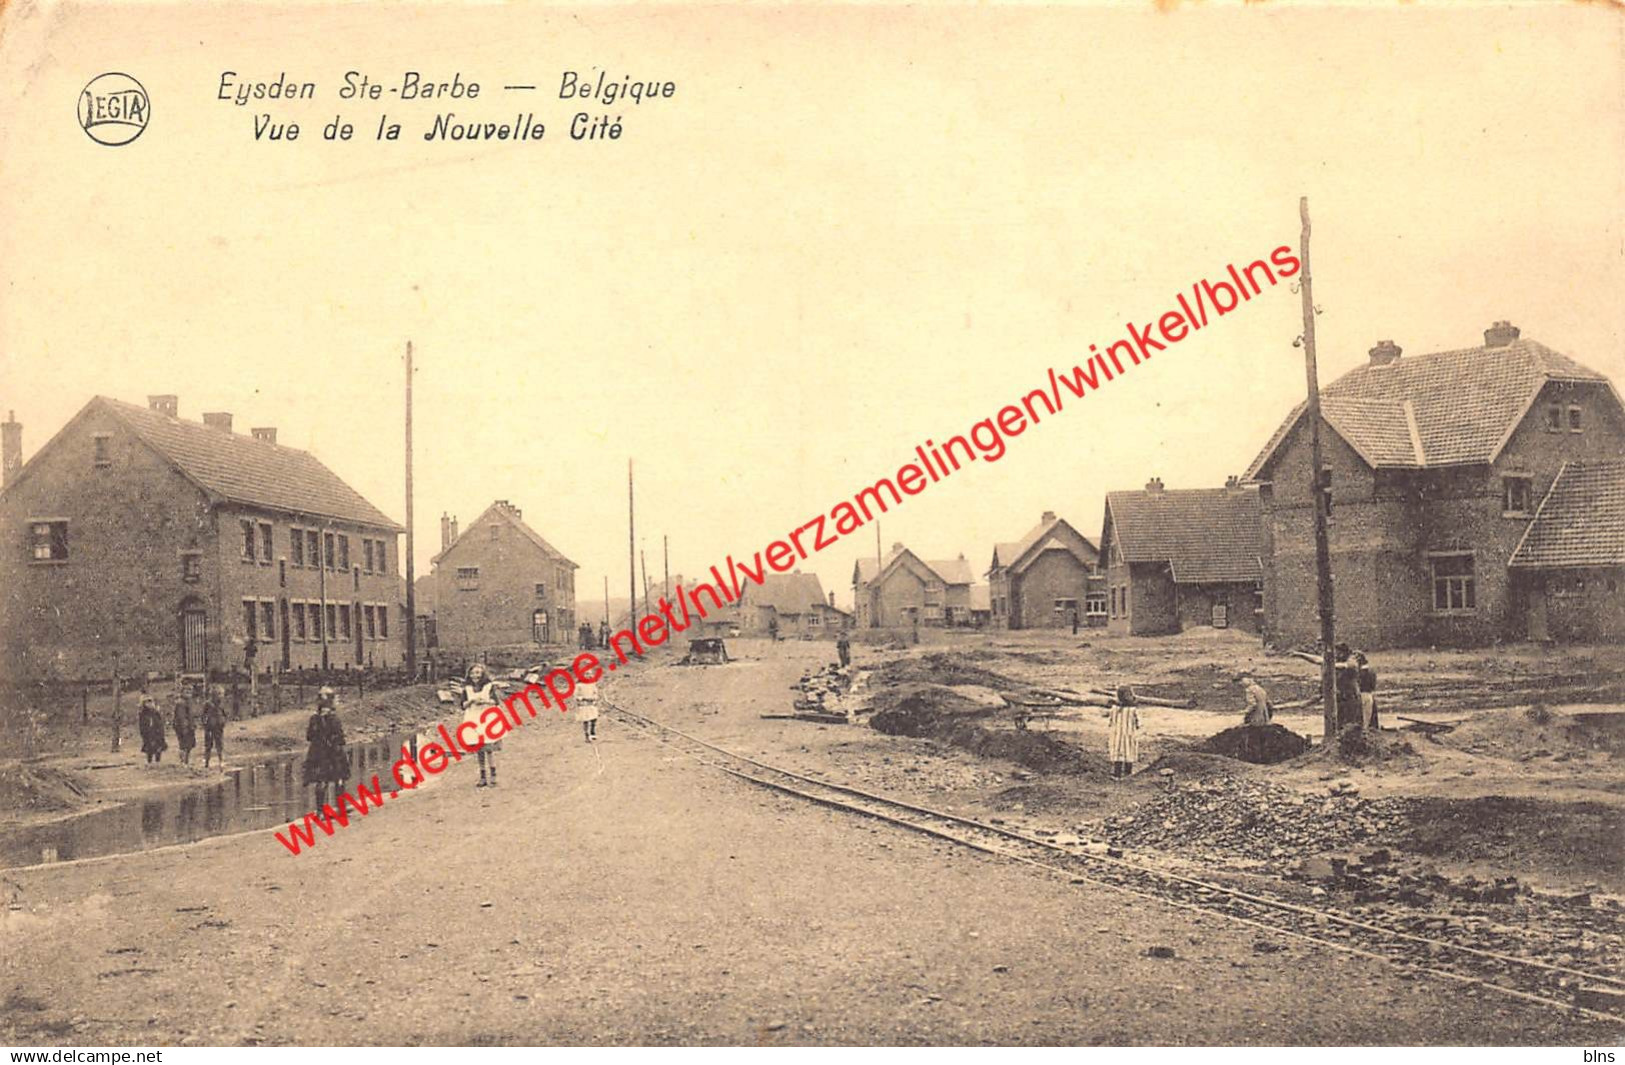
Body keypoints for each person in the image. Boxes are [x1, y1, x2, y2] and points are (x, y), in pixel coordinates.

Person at [303, 686, 350, 809]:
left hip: (318, 753)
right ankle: (341, 808)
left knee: (321, 780)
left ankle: (320, 811)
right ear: (330, 701)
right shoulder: (334, 718)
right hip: (334, 753)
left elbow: (309, 736)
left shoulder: (314, 718)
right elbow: (340, 737)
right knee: (339, 778)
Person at [460, 664, 503, 787]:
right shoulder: (467, 688)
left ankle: (493, 774)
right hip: (473, 718)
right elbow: (462, 705)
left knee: (488, 748)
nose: (475, 676)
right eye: (473, 673)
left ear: (483, 674)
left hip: (486, 718)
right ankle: (482, 776)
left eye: (478, 673)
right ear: (469, 675)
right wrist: (471, 701)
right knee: (479, 749)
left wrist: (485, 701)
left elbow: (495, 701)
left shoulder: (488, 687)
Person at [1107, 685, 1141, 780]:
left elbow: (1111, 721)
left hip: (1117, 734)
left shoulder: (1114, 709)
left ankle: (1117, 774)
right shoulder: (1133, 710)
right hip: (1129, 734)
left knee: (1118, 753)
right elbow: (1137, 722)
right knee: (1128, 752)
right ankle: (1128, 773)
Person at [1333, 643, 1363, 730]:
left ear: (1343, 652)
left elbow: (1349, 665)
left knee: (1350, 720)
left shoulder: (1351, 661)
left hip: (1351, 696)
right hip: (1342, 697)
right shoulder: (1339, 661)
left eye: (1338, 652)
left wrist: (1330, 664)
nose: (1337, 655)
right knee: (1340, 721)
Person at [201, 687, 227, 768]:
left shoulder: (221, 704)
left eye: (222, 694)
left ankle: (221, 760)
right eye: (219, 694)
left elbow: (224, 714)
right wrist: (205, 724)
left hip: (219, 727)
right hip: (209, 727)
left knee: (219, 744)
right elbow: (203, 715)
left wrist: (223, 721)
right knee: (208, 745)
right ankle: (206, 762)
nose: (221, 696)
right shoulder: (208, 704)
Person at [138, 696, 167, 766]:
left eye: (151, 702)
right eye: (147, 703)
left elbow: (160, 722)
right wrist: (144, 733)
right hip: (148, 733)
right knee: (149, 747)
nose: (150, 704)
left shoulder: (156, 712)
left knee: (158, 747)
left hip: (157, 732)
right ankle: (149, 761)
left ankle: (158, 761)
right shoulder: (143, 714)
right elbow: (142, 725)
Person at [171, 688, 197, 766]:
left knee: (189, 744)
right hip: (183, 727)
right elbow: (181, 717)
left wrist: (193, 725)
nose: (189, 694)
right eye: (186, 692)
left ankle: (186, 761)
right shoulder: (181, 703)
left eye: (190, 692)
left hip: (189, 726)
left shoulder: (189, 702)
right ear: (182, 693)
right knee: (184, 744)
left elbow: (191, 715)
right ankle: (183, 761)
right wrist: (184, 728)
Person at [1354, 652, 1379, 729]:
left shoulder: (1360, 672)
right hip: (1369, 694)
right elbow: (1373, 685)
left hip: (1362, 694)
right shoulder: (1372, 670)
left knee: (1363, 718)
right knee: (1369, 716)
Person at [577, 674, 600, 742]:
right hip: (584, 704)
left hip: (591, 703)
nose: (587, 676)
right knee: (585, 719)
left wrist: (594, 698)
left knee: (594, 718)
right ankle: (586, 735)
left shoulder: (592, 685)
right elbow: (577, 695)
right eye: (585, 674)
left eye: (588, 674)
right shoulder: (579, 685)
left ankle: (592, 732)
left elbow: (595, 693)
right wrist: (581, 698)